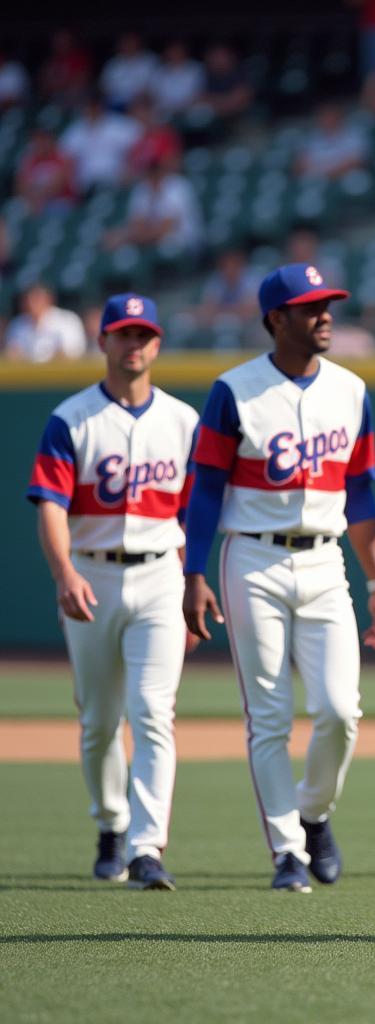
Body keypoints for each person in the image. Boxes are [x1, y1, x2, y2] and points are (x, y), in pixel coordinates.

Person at [182, 263, 375, 893]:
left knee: (340, 712)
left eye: (328, 304)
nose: (325, 315)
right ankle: (286, 851)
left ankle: (314, 813)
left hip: (326, 560)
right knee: (270, 716)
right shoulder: (233, 389)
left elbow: (360, 493)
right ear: (276, 319)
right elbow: (205, 490)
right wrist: (193, 572)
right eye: (310, 308)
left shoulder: (351, 389)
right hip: (251, 559)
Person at [25, 293, 198, 890]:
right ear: (102, 342)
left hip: (159, 576)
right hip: (91, 575)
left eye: (144, 334)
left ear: (157, 343)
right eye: (123, 334)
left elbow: (192, 515)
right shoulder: (71, 419)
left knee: (153, 713)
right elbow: (50, 504)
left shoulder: (182, 421)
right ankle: (109, 824)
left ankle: (147, 847)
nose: (134, 345)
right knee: (99, 720)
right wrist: (64, 573)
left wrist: (192, 583)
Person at [5, 283, 87, 362]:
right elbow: (12, 355)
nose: (31, 304)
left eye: (36, 299)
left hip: (64, 374)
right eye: (28, 300)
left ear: (49, 299)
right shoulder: (16, 324)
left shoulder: (68, 320)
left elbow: (71, 354)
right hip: (25, 374)